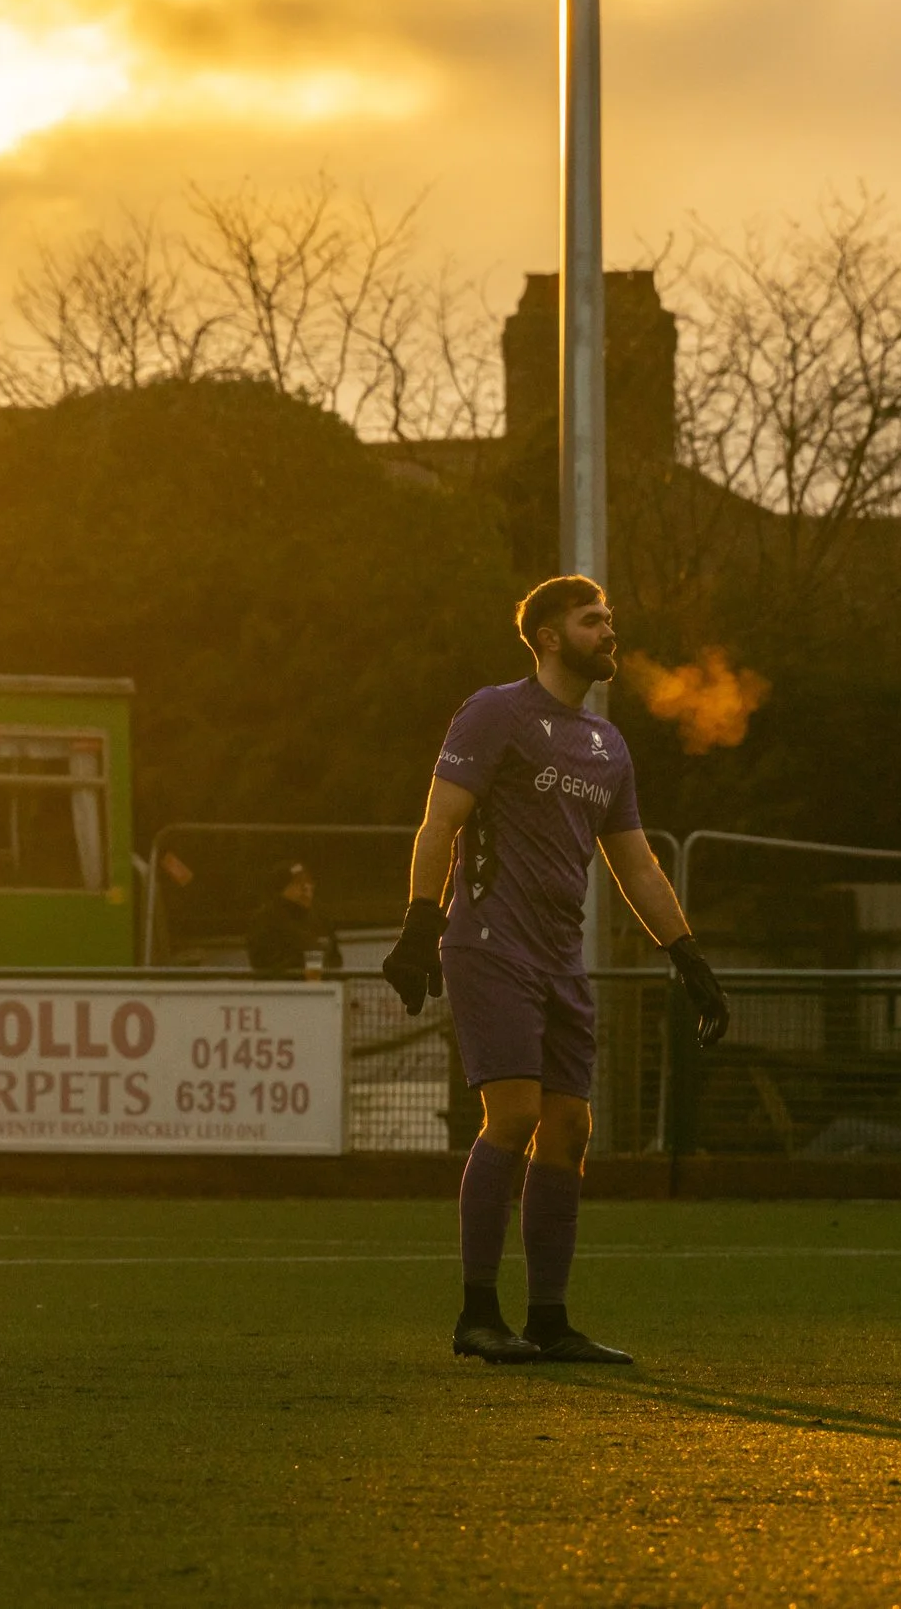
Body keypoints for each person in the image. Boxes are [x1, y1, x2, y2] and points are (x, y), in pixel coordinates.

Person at [383, 575, 730, 1365]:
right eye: (592, 619)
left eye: (610, 617)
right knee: (512, 1113)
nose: (610, 630)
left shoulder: (607, 746)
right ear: (546, 635)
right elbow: (440, 820)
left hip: (561, 960)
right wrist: (418, 920)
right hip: (490, 944)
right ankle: (478, 1315)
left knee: (569, 1127)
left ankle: (547, 1319)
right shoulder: (494, 711)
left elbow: (636, 864)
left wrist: (688, 955)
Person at [246, 861, 340, 978]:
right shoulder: (264, 920)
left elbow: (336, 960)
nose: (307, 887)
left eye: (309, 882)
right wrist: (302, 966)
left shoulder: (321, 918)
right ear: (282, 888)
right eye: (298, 883)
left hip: (326, 992)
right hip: (285, 993)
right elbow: (261, 963)